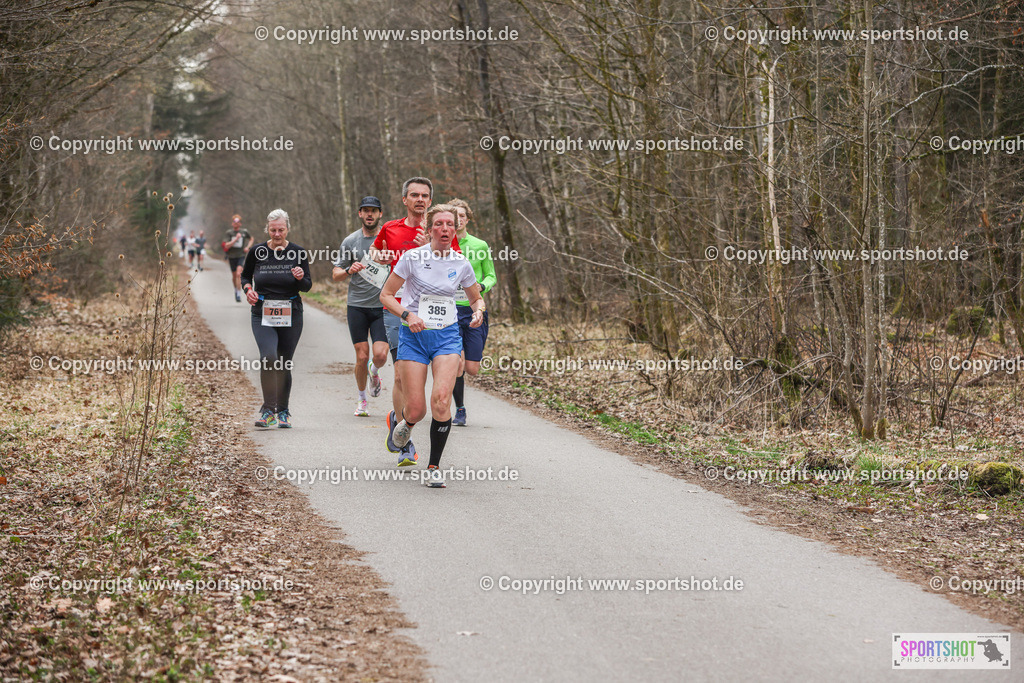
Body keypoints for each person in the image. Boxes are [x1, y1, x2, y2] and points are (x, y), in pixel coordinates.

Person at [380, 203, 484, 487]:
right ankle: (406, 424)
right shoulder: (412, 258)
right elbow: (387, 295)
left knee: (440, 400)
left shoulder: (461, 263)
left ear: (455, 230)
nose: (445, 229)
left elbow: (475, 298)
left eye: (450, 224)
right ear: (429, 229)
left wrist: (478, 311)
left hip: (447, 336)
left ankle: (434, 467)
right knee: (416, 409)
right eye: (439, 224)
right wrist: (407, 314)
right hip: (414, 336)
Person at [371, 177, 454, 463]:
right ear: (404, 199)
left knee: (436, 390)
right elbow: (374, 253)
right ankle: (403, 432)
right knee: (398, 375)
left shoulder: (441, 230)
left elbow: (455, 264)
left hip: (435, 314)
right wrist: (385, 256)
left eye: (425, 195)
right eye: (414, 195)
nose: (420, 199)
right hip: (399, 308)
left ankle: (405, 420)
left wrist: (429, 245)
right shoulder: (390, 228)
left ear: (430, 201)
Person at [241, 209, 312, 429]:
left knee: (283, 363)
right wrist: (248, 289)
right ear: (267, 229)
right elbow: (245, 275)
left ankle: (283, 411)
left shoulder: (298, 253)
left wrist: (300, 278)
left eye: (281, 229)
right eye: (273, 230)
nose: (277, 234)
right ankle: (267, 410)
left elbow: (308, 286)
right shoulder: (257, 251)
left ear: (287, 228)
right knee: (269, 357)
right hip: (262, 310)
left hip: (291, 310)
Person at [332, 196, 389, 416]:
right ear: (359, 214)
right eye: (365, 210)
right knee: (362, 356)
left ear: (380, 214)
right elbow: (335, 274)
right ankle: (362, 400)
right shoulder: (351, 241)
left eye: (373, 211)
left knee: (381, 355)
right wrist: (348, 270)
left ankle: (374, 372)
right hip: (356, 305)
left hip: (382, 305)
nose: (369, 214)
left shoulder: (388, 238)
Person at [448, 198, 496, 427]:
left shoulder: (480, 245)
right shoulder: (441, 244)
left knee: (472, 369)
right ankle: (459, 409)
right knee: (457, 364)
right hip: (449, 311)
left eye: (461, 216)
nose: (457, 221)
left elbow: (491, 276)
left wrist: (482, 286)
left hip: (475, 310)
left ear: (468, 219)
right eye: (453, 216)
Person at [222, 214, 254, 302]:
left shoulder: (244, 232)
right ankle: (236, 290)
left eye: (238, 222)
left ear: (240, 224)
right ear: (232, 224)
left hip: (241, 255)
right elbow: (226, 246)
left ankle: (239, 294)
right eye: (234, 222)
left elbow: (251, 238)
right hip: (232, 256)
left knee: (238, 274)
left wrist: (248, 247)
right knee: (234, 276)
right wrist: (235, 239)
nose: (236, 224)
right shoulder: (229, 233)